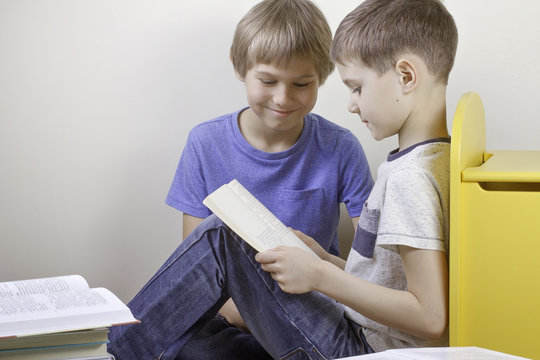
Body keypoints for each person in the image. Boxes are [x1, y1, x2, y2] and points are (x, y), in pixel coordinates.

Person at [108, 0, 458, 358]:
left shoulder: (408, 178)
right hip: (348, 327)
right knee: (189, 345)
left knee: (220, 234)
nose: (352, 105)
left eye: (356, 88)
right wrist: (322, 260)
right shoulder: (427, 161)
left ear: (406, 76)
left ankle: (116, 352)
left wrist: (321, 276)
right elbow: (387, 278)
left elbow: (430, 317)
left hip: (358, 345)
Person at [153, 0, 373, 358]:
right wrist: (253, 317)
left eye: (302, 84)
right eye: (268, 81)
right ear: (240, 68)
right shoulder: (205, 143)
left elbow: (371, 271)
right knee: (183, 350)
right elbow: (197, 267)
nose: (283, 99)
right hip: (230, 318)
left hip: (311, 316)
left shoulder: (340, 147)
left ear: (322, 77)